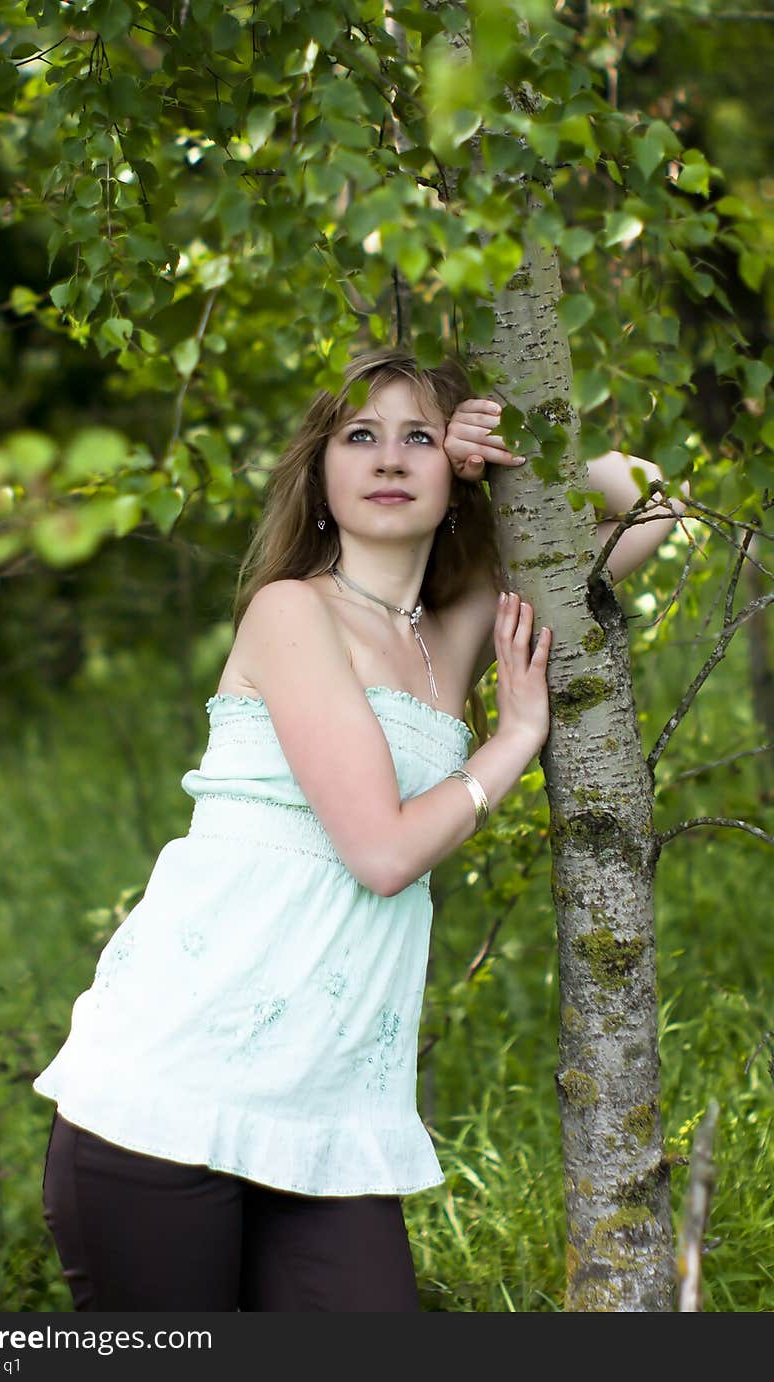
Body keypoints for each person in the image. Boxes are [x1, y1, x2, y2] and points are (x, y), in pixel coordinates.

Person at [34, 346, 686, 1312]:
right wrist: (511, 742)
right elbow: (380, 854)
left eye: (419, 437)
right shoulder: (290, 612)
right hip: (166, 1095)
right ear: (323, 474)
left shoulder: (458, 624)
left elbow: (656, 505)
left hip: (326, 1121)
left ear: (454, 475)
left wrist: (518, 443)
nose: (389, 459)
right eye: (361, 437)